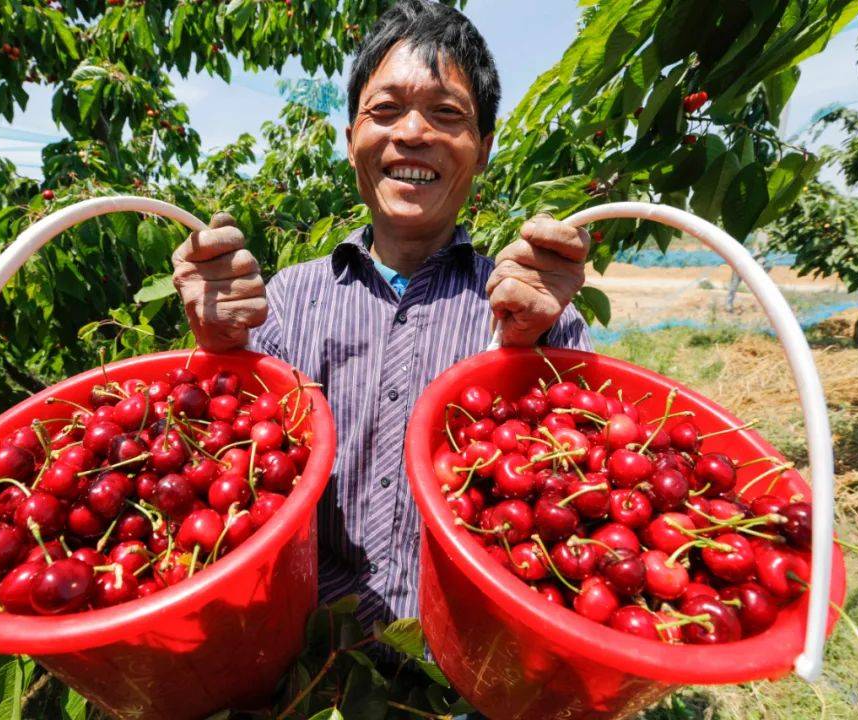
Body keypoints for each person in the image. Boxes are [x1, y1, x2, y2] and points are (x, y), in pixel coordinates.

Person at [172, 0, 591, 632]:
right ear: (351, 141)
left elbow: (581, 478)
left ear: (483, 149)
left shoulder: (529, 308)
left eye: (447, 114)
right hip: (312, 655)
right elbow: (226, 457)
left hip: (470, 654)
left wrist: (530, 344)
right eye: (385, 110)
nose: (412, 134)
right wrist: (217, 344)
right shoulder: (287, 301)